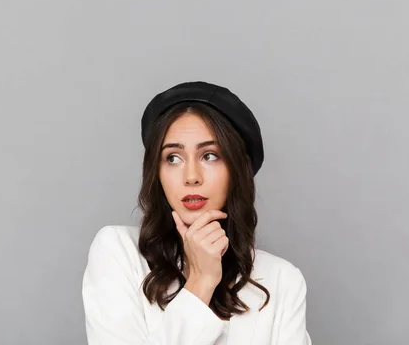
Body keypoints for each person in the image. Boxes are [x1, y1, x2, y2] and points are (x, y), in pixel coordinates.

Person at [82, 81, 312, 344]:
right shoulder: (118, 252)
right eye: (173, 158)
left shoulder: (281, 280)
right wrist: (200, 282)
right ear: (156, 172)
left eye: (210, 156)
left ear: (236, 171)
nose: (191, 177)